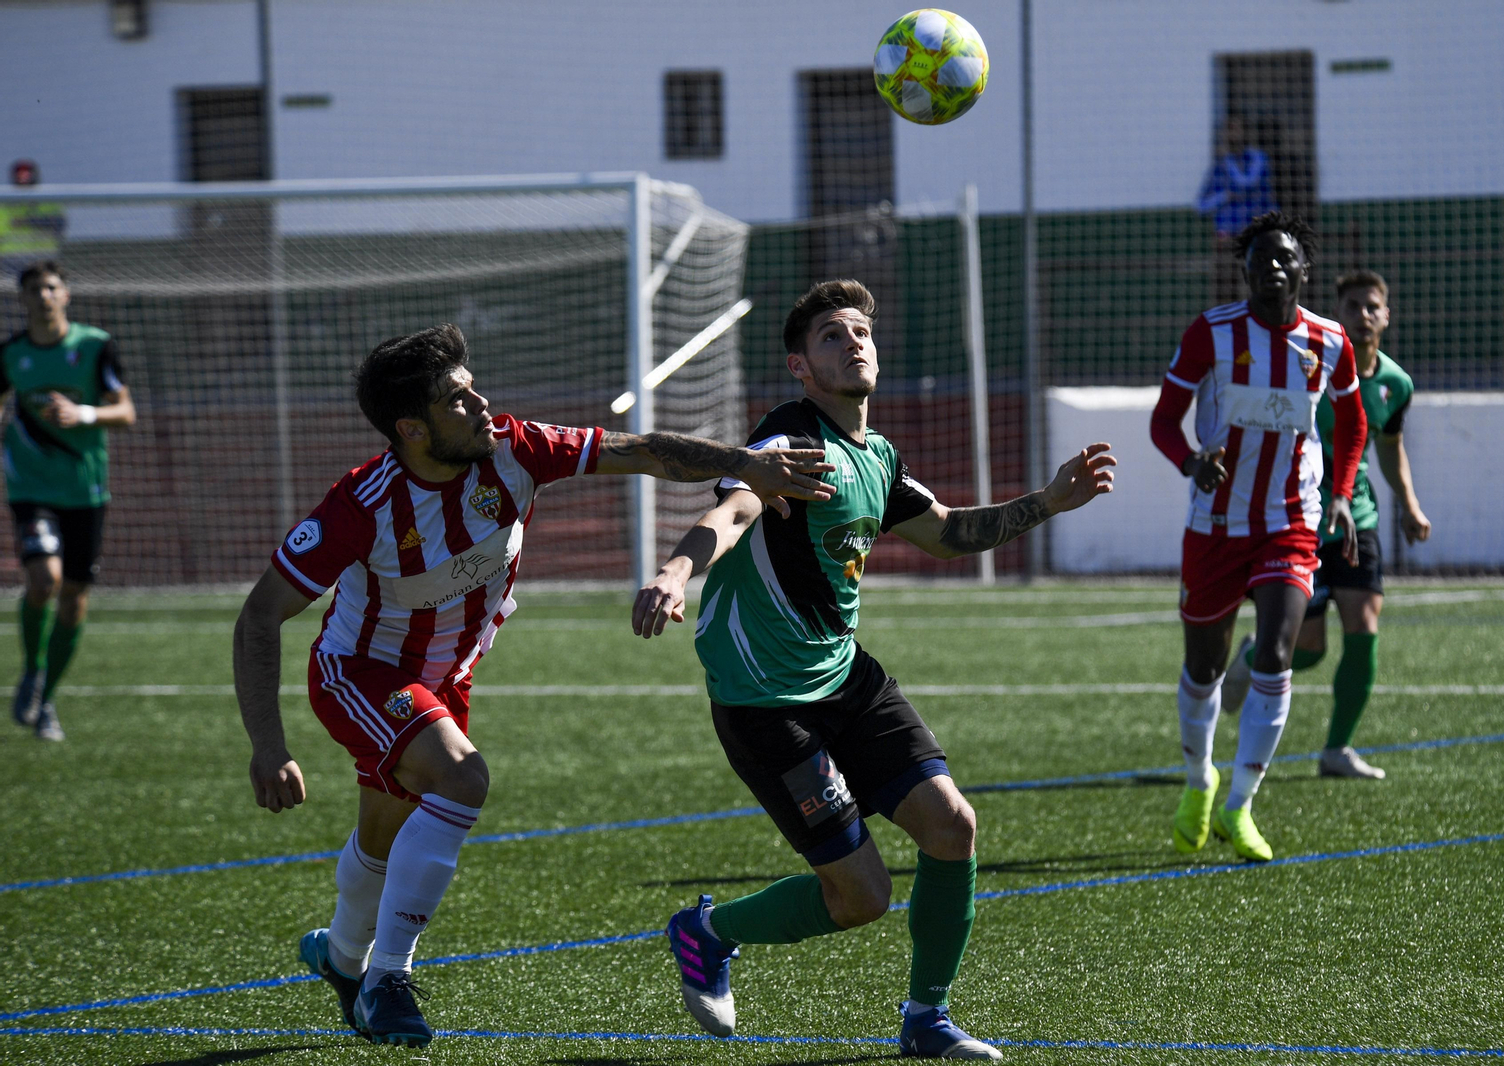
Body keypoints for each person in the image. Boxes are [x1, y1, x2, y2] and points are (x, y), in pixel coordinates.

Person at [232, 323, 836, 1048]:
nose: (482, 403)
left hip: (447, 679)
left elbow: (639, 451)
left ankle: (339, 957)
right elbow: (261, 613)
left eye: (473, 386)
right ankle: (385, 980)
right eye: (458, 400)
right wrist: (267, 744)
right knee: (461, 777)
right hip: (361, 674)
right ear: (412, 429)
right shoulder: (362, 504)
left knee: (384, 832)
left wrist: (745, 462)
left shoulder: (515, 450)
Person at [632, 280, 1116, 1061]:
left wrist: (1048, 503)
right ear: (800, 365)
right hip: (766, 702)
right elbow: (728, 514)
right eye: (832, 335)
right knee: (861, 898)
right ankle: (706, 932)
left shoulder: (877, 455)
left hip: (848, 680)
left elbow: (950, 534)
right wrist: (674, 574)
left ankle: (927, 1019)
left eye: (861, 331)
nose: (854, 342)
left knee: (952, 827)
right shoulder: (786, 443)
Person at [1149, 212, 1367, 862]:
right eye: (1260, 258)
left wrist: (1342, 495)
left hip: (1290, 522)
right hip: (1215, 525)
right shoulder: (1211, 333)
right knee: (1204, 667)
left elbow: (1351, 424)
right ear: (1243, 270)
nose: (1273, 267)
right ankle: (1200, 781)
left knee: (1276, 654)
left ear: (1306, 271)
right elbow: (1164, 419)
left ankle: (1241, 806)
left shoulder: (1330, 342)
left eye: (1285, 258)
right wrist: (1191, 460)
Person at [1220, 270, 1430, 780]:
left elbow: (1390, 449)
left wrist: (1409, 503)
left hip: (1358, 520)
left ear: (1386, 314)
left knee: (1364, 627)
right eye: (1352, 305)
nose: (1362, 314)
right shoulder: (1312, 367)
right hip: (1302, 520)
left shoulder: (1395, 384)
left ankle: (1337, 750)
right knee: (1305, 650)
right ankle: (1251, 657)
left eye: (1371, 306)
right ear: (1337, 312)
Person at [4, 261, 136, 741]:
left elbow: (126, 412)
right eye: (34, 289)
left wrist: (80, 413)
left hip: (86, 491)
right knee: (44, 581)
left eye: (51, 287)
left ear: (66, 295)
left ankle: (46, 699)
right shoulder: (11, 354)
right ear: (23, 299)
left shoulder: (93, 346)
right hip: (31, 490)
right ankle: (32, 671)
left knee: (74, 600)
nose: (43, 295)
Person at [1197, 118, 1279, 305]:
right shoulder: (1220, 169)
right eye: (1229, 131)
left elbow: (1270, 202)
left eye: (1237, 130)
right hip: (1228, 242)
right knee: (1227, 290)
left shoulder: (1261, 164)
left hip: (1255, 239)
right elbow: (1201, 206)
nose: (1233, 135)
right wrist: (1225, 196)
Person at [0, 162, 66, 281]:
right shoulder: (5, 204)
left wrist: (28, 222)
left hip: (43, 257)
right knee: (12, 293)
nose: (23, 179)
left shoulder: (47, 200)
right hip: (12, 259)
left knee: (42, 290)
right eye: (20, 175)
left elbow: (59, 224)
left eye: (27, 175)